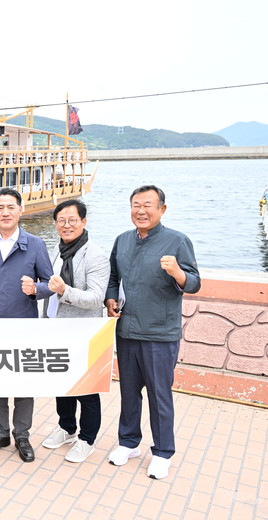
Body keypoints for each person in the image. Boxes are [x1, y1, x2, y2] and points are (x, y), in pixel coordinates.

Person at [105, 185, 200, 480]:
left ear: (162, 209)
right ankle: (129, 443)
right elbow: (113, 277)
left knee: (160, 395)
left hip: (160, 334)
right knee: (128, 392)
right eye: (136, 205)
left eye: (148, 205)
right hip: (127, 330)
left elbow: (194, 282)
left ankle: (162, 452)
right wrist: (110, 300)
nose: (141, 211)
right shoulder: (122, 240)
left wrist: (177, 272)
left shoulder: (177, 241)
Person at [0, 187, 54, 463]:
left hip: (23, 327)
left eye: (10, 207)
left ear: (20, 210)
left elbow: (50, 283)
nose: (5, 212)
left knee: (23, 384)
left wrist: (36, 289)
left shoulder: (35, 244)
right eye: (0, 207)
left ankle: (22, 435)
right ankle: (0, 432)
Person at [32, 200, 110, 463]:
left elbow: (96, 298)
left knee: (87, 390)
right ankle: (66, 428)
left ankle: (87, 439)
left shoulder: (94, 255)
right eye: (61, 221)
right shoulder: (58, 250)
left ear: (84, 222)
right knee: (62, 384)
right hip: (56, 328)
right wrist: (36, 290)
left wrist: (64, 290)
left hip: (84, 332)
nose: (66, 225)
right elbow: (49, 286)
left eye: (72, 220)